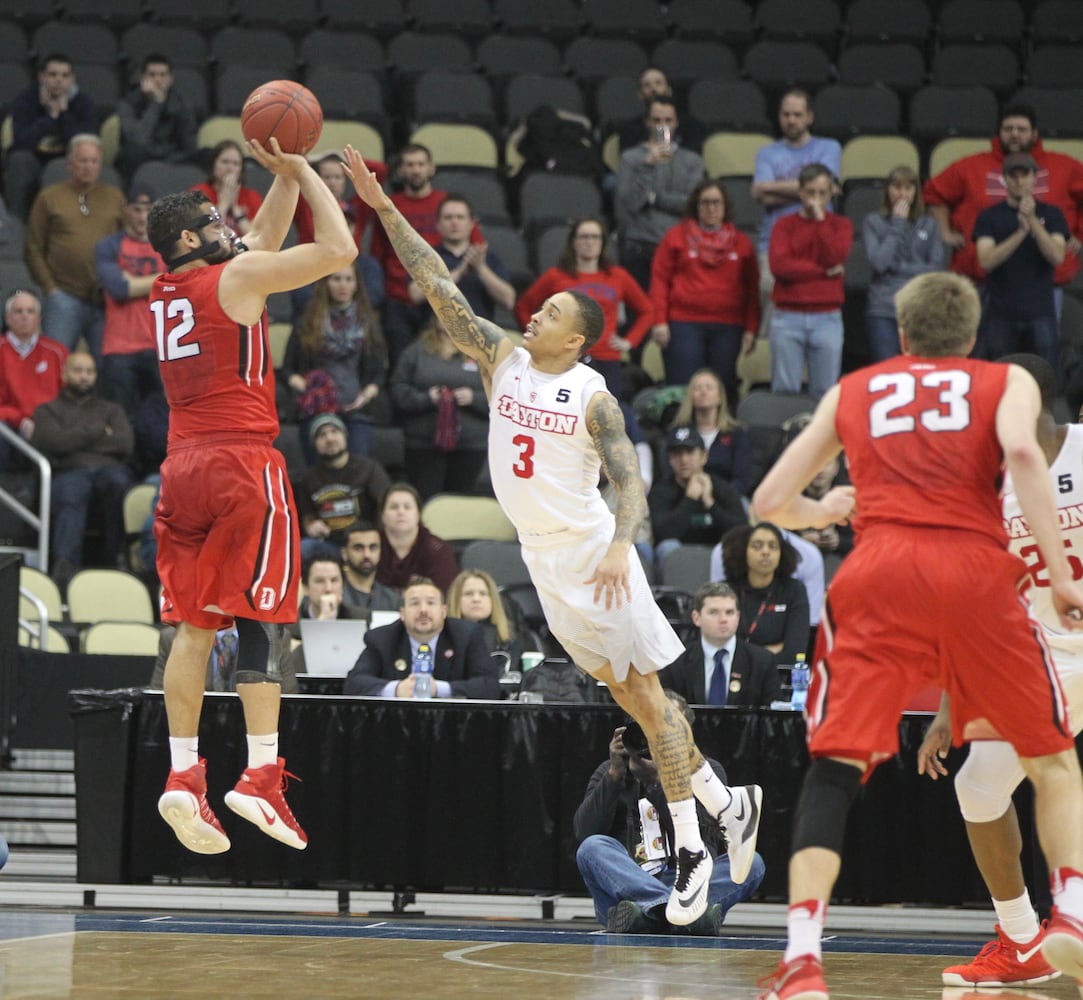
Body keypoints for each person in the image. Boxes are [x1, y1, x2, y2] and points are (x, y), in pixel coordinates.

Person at [353, 157, 764, 927]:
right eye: (534, 309)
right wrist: (380, 205)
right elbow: (438, 281)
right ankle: (725, 804)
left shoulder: (594, 395)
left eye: (548, 313)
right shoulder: (500, 357)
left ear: (575, 340)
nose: (532, 313)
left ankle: (692, 849)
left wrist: (622, 547)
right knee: (624, 695)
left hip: (592, 555)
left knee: (646, 698)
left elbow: (630, 482)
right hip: (545, 562)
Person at [751, 271, 1083, 1000]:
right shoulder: (1001, 390)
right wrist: (1060, 575)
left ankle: (802, 957)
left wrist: (822, 510)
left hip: (880, 572)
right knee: (1043, 768)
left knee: (832, 770)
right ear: (971, 339)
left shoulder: (855, 389)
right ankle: (1064, 913)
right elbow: (1026, 458)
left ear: (898, 334)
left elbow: (768, 501)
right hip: (982, 582)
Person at [147, 139, 361, 856]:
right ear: (186, 238)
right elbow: (338, 249)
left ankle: (183, 777)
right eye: (211, 219)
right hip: (242, 465)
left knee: (194, 627)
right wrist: (302, 171)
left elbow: (259, 241)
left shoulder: (168, 291)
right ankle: (260, 774)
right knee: (265, 614)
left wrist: (279, 178)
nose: (224, 224)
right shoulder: (234, 279)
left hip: (180, 469)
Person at [917, 353, 1083, 989]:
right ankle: (1022, 939)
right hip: (1038, 660)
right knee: (979, 788)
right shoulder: (986, 490)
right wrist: (948, 708)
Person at [574, 690, 764, 935]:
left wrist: (657, 782)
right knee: (592, 847)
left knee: (753, 863)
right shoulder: (612, 769)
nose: (657, 736)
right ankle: (680, 915)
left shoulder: (706, 774)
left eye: (667, 727)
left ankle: (650, 915)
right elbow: (584, 833)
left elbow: (705, 846)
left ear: (687, 733)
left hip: (686, 881)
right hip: (629, 882)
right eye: (649, 724)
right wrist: (614, 777)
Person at [923, 102, 1083, 303]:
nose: (1014, 134)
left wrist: (1080, 233)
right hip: (982, 283)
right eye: (1008, 129)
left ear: (1035, 134)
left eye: (1022, 129)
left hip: (1045, 283)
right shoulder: (968, 167)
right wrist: (945, 232)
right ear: (999, 133)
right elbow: (933, 193)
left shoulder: (1065, 167)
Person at [514, 217, 652, 400]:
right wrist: (542, 337)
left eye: (595, 237)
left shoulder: (618, 276)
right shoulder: (556, 276)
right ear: (574, 242)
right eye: (584, 237)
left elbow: (647, 311)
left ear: (603, 243)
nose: (590, 242)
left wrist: (629, 341)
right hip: (564, 357)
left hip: (606, 358)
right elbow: (523, 307)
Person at [368, 143, 482, 363]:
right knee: (400, 362)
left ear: (431, 168)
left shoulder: (448, 205)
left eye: (421, 164)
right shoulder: (388, 205)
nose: (416, 170)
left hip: (439, 300)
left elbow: (475, 246)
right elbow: (378, 254)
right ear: (400, 170)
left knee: (435, 363)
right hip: (398, 299)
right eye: (409, 165)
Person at [30, 351, 134, 586]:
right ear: (65, 373)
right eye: (78, 370)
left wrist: (73, 439)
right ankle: (64, 570)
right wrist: (98, 431)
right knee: (72, 491)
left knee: (119, 485)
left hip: (109, 471)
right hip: (68, 472)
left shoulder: (112, 409)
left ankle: (117, 560)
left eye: (89, 371)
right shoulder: (48, 410)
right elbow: (51, 442)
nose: (84, 376)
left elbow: (124, 444)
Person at [650, 178, 760, 394]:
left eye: (716, 203)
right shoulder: (675, 237)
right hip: (683, 323)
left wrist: (751, 327)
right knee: (682, 388)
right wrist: (659, 321)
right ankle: (680, 428)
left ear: (725, 206)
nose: (711, 208)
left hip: (728, 326)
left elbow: (752, 290)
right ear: (696, 206)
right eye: (705, 203)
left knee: (721, 389)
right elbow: (660, 281)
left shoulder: (742, 242)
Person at [752, 88, 842, 340]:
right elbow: (760, 193)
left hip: (819, 243)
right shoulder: (767, 153)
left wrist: (774, 186)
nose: (791, 120)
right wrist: (814, 189)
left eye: (797, 114)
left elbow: (829, 188)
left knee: (818, 321)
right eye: (785, 114)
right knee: (772, 319)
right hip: (774, 244)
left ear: (809, 117)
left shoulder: (828, 147)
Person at [25, 134, 125, 358]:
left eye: (94, 161)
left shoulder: (115, 197)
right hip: (63, 296)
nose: (88, 167)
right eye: (82, 161)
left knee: (107, 365)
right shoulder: (49, 197)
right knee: (53, 362)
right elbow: (33, 246)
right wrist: (51, 288)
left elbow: (127, 242)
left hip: (105, 298)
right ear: (69, 164)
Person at [281, 269, 390, 461]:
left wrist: (365, 396)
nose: (342, 285)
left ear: (357, 285)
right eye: (336, 279)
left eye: (349, 279)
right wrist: (304, 386)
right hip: (316, 408)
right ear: (325, 283)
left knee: (356, 466)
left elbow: (379, 374)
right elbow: (288, 369)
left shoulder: (369, 322)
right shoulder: (307, 321)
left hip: (356, 407)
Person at [973, 153, 1068, 367]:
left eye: (1024, 175)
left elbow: (1057, 256)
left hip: (1041, 311)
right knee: (999, 376)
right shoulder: (989, 216)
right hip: (1000, 313)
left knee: (1044, 377)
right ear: (1004, 179)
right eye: (1013, 175)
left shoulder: (1052, 214)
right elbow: (986, 261)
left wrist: (1032, 221)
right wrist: (1020, 233)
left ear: (1035, 178)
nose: (1019, 181)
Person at [768, 162, 853, 400]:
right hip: (787, 316)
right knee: (784, 392)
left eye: (822, 193)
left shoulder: (840, 225)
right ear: (800, 192)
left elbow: (834, 256)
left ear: (831, 193)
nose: (816, 199)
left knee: (825, 394)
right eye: (811, 192)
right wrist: (823, 271)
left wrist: (820, 221)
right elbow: (780, 267)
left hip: (827, 317)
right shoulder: (783, 225)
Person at [343, 575, 501, 699]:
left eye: (431, 603)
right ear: (402, 613)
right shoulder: (382, 639)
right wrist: (397, 689)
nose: (423, 610)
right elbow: (354, 683)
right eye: (414, 603)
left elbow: (489, 685)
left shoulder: (466, 635)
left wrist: (438, 689)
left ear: (444, 611)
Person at [389, 317, 490, 501]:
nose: (448, 318)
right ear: (434, 319)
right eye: (443, 313)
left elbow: (502, 395)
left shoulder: (482, 353)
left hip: (470, 446)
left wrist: (474, 398)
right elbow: (397, 390)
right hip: (423, 443)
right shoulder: (416, 352)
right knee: (426, 502)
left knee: (460, 505)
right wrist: (426, 398)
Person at [93, 181, 165, 429]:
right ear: (125, 209)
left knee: (165, 420)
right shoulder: (109, 246)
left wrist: (135, 282)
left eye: (148, 209)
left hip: (160, 345)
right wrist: (164, 279)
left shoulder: (167, 245)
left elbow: (184, 282)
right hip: (120, 347)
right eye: (136, 209)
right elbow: (119, 288)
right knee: (121, 419)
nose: (142, 216)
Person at [615, 97, 706, 291]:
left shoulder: (692, 160)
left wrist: (654, 198)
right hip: (640, 246)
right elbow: (629, 202)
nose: (662, 126)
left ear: (676, 123)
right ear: (647, 122)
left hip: (678, 247)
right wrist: (648, 166)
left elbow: (692, 205)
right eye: (657, 121)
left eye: (668, 120)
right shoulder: (630, 158)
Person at [862, 165, 946, 364]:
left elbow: (936, 270)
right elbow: (880, 263)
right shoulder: (873, 222)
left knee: (921, 370)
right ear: (887, 191)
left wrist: (898, 268)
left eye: (908, 188)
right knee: (888, 371)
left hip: (920, 310)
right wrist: (897, 224)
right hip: (884, 309)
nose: (902, 193)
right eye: (897, 187)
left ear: (916, 192)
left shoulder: (929, 224)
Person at [290, 150, 387, 318]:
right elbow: (293, 168)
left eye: (337, 177)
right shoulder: (305, 205)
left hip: (348, 269)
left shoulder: (356, 207)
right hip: (313, 269)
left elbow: (381, 171)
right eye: (326, 177)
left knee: (370, 273)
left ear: (345, 180)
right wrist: (315, 159)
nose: (332, 182)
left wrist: (345, 159)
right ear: (317, 179)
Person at [5, 53, 100, 222]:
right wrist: (50, 117)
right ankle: (16, 225)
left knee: (63, 166)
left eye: (65, 75)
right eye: (53, 74)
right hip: (32, 159)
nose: (59, 80)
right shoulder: (26, 100)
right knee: (18, 160)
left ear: (72, 79)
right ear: (42, 77)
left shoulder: (84, 103)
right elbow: (21, 141)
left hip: (67, 161)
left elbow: (84, 145)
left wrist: (63, 115)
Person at [659, 582, 781, 707]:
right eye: (714, 612)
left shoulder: (762, 662)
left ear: (738, 617)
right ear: (696, 618)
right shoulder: (676, 663)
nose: (723, 619)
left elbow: (771, 720)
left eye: (729, 612)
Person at [647, 425, 747, 569]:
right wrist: (690, 499)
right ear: (670, 459)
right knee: (667, 547)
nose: (684, 459)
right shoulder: (661, 491)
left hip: (717, 555)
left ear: (704, 456)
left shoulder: (722, 488)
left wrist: (711, 504)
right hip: (680, 558)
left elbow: (741, 533)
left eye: (690, 452)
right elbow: (663, 534)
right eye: (677, 454)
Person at [294, 413, 391, 560]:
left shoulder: (369, 469)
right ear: (315, 444)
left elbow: (386, 504)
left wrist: (373, 539)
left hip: (365, 544)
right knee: (304, 548)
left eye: (334, 431)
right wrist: (311, 525)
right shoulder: (309, 478)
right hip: (331, 546)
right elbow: (307, 515)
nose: (330, 438)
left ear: (345, 437)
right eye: (322, 435)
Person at [408, 194, 515, 323]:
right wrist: (459, 272)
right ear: (438, 224)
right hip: (437, 336)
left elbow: (509, 300)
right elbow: (415, 295)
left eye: (460, 217)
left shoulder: (488, 257)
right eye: (448, 218)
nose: (454, 222)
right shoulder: (425, 256)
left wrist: (481, 269)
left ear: (471, 224)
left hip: (480, 335)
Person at [719, 522, 810, 669]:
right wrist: (768, 651)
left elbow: (794, 654)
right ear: (743, 551)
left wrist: (744, 656)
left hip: (777, 679)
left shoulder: (794, 590)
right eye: (757, 546)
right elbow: (717, 650)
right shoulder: (725, 591)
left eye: (773, 546)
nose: (765, 552)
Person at [0, 290, 66, 471]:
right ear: (7, 318)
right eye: (18, 311)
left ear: (38, 318)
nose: (24, 316)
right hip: (7, 424)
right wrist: (21, 420)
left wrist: (43, 420)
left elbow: (67, 397)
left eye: (30, 311)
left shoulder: (57, 352)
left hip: (46, 423)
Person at [114, 54, 198, 183]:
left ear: (170, 79)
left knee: (206, 155)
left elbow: (189, 147)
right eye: (152, 75)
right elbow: (137, 140)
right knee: (131, 153)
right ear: (142, 78)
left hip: (171, 158)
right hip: (138, 158)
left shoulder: (182, 105)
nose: (158, 80)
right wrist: (156, 104)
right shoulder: (127, 104)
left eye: (163, 75)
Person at [668, 368, 752, 497]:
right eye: (697, 388)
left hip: (727, 498)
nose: (703, 392)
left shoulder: (736, 434)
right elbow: (669, 474)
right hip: (684, 497)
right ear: (690, 397)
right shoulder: (677, 433)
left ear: (720, 397)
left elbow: (742, 480)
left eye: (709, 387)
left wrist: (713, 495)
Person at [150, 623, 298, 695]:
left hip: (250, 731)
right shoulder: (174, 638)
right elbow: (158, 699)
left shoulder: (273, 638)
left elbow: (288, 697)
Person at [375, 481, 458, 593]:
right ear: (383, 515)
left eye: (408, 507)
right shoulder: (370, 545)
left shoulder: (438, 549)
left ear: (418, 514)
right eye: (394, 507)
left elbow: (444, 594)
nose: (401, 512)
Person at [447, 568, 529, 673]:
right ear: (456, 599)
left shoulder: (510, 637)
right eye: (468, 593)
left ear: (492, 600)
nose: (476, 599)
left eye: (483, 593)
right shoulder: (443, 636)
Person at [614, 67, 706, 155]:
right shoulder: (629, 130)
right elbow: (627, 162)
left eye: (658, 83)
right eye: (647, 85)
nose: (653, 89)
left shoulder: (691, 126)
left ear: (669, 91)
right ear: (640, 94)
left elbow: (694, 160)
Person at [190, 139, 263, 240]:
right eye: (225, 162)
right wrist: (224, 202)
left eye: (236, 164)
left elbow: (256, 238)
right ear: (213, 164)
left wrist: (235, 209)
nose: (230, 168)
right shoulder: (198, 193)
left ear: (241, 170)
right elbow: (207, 236)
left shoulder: (252, 196)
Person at [288, 549, 366, 640]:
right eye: (319, 581)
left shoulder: (360, 618)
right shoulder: (290, 624)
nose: (328, 588)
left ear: (343, 585)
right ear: (306, 588)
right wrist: (323, 621)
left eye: (334, 580)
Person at [339, 522, 401, 613]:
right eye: (358, 548)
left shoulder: (393, 600)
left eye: (373, 547)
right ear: (344, 553)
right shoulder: (335, 595)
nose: (367, 555)